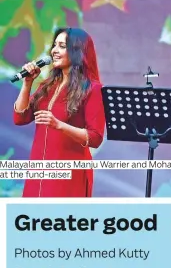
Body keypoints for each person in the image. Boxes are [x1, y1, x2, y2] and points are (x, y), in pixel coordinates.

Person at [13, 27, 105, 197]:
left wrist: (59, 125)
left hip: (69, 173)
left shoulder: (93, 89)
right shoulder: (47, 86)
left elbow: (95, 137)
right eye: (55, 45)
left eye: (62, 46)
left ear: (77, 51)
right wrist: (27, 84)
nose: (54, 50)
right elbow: (20, 117)